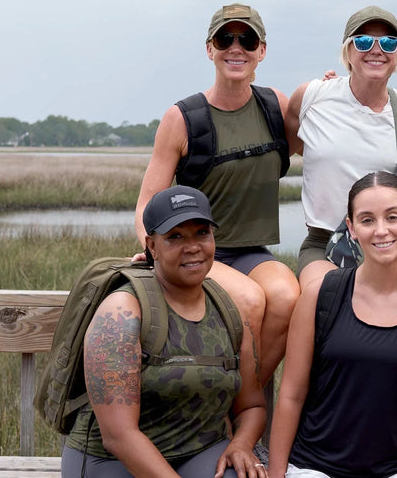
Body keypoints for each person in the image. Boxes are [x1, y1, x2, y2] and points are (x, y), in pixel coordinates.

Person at [135, 3, 299, 387]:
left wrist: (336, 90)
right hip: (196, 251)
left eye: (248, 39)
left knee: (289, 298)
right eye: (226, 38)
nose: (236, 48)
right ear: (210, 49)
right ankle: (239, 409)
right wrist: (150, 247)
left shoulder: (275, 105)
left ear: (261, 51)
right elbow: (147, 202)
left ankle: (244, 400)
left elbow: (330, 143)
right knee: (251, 301)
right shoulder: (182, 118)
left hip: (252, 251)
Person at [63, 185, 267, 478]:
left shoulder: (229, 312)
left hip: (198, 451)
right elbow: (118, 436)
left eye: (202, 233)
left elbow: (252, 406)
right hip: (114, 459)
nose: (193, 246)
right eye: (175, 237)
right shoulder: (122, 312)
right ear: (152, 246)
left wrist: (242, 444)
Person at [269, 172, 397, 478]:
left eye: (392, 216)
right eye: (367, 220)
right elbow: (291, 395)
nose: (381, 230)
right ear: (351, 227)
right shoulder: (321, 295)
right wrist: (278, 474)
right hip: (316, 468)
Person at [287, 6, 397, 289]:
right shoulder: (312, 97)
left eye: (389, 43)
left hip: (392, 238)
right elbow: (293, 148)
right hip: (325, 240)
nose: (377, 50)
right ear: (348, 52)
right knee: (324, 297)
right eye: (364, 41)